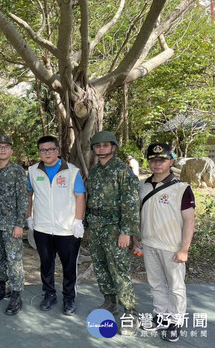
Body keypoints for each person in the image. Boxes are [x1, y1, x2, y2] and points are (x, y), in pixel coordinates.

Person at [137, 143, 195, 343]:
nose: (157, 163)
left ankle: (175, 322)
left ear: (171, 161)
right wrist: (137, 240)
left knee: (176, 286)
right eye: (153, 160)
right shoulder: (143, 185)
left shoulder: (182, 188)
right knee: (156, 283)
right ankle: (161, 316)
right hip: (149, 243)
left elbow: (189, 220)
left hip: (172, 247)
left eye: (162, 160)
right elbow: (139, 214)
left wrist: (184, 249)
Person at [85, 131, 140, 336]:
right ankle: (110, 302)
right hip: (97, 226)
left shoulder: (123, 171)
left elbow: (131, 204)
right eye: (97, 146)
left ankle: (130, 312)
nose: (101, 149)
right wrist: (89, 227)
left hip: (115, 229)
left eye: (105, 146)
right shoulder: (95, 171)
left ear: (114, 148)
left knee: (119, 270)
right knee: (100, 266)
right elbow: (90, 200)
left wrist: (126, 232)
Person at [27, 135, 86, 316]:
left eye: (50, 149)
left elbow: (80, 196)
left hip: (67, 229)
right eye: (43, 150)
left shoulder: (72, 171)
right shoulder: (33, 171)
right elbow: (28, 194)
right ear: (39, 152)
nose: (47, 153)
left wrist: (78, 221)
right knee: (46, 264)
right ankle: (49, 294)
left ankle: (69, 298)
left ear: (58, 150)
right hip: (43, 228)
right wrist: (29, 216)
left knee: (69, 266)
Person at [0, 136, 27, 316]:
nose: (2, 150)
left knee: (14, 261)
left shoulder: (17, 171)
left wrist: (20, 224)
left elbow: (23, 199)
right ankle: (4, 288)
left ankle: (17, 295)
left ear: (11, 151)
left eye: (6, 147)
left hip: (11, 225)